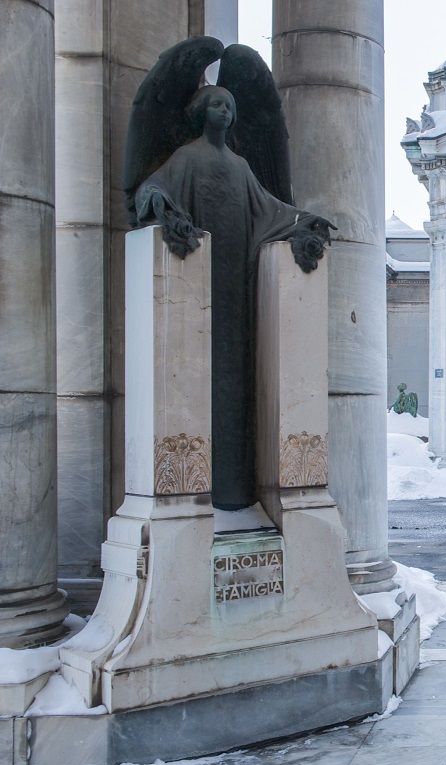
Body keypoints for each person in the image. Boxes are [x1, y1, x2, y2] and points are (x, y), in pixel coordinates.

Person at [135, 85, 332, 510]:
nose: (224, 112)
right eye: (216, 105)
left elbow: (268, 208)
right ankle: (202, 489)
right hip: (200, 284)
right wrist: (158, 200)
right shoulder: (187, 158)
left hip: (238, 286)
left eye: (230, 106)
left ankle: (235, 489)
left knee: (236, 382)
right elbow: (154, 188)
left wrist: (301, 220)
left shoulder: (240, 165)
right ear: (202, 111)